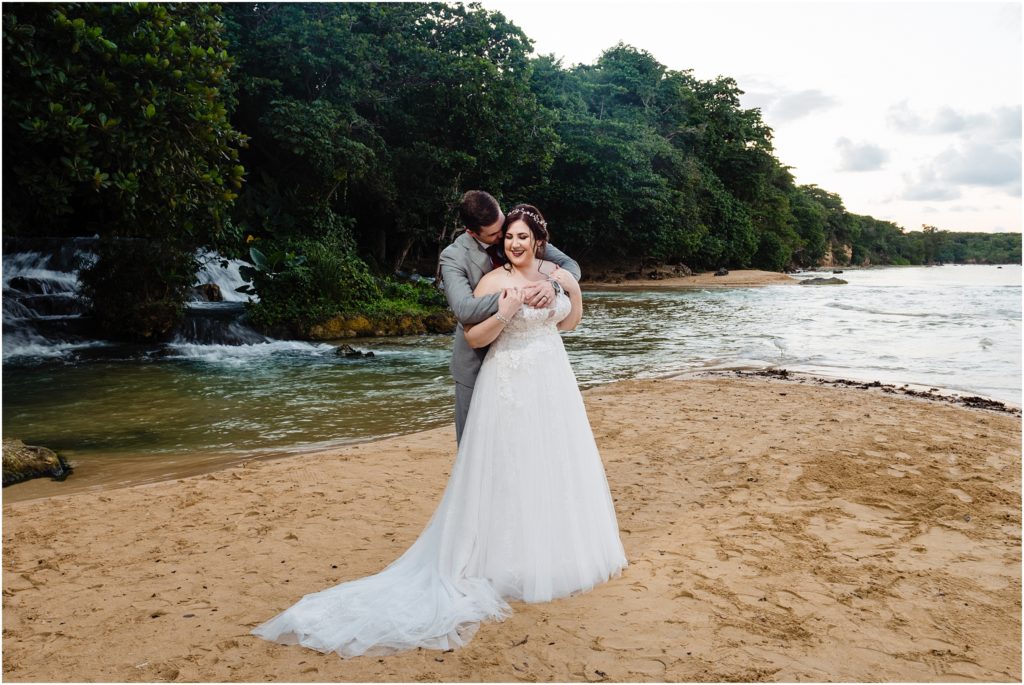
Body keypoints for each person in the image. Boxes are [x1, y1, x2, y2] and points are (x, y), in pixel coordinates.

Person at [251, 204, 627, 658]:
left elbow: (570, 320)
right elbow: (472, 332)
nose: (511, 243)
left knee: (551, 463)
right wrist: (507, 308)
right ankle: (501, 557)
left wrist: (559, 289)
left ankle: (551, 552)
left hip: (552, 380)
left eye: (520, 237)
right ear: (487, 235)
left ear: (538, 241)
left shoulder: (554, 269)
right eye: (507, 237)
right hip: (505, 379)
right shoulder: (488, 277)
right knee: (504, 467)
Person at [438, 190, 581, 443]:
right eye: (495, 234)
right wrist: (516, 297)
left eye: (503, 226)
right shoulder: (454, 257)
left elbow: (571, 267)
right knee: (476, 448)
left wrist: (552, 286)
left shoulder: (516, 232)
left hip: (530, 362)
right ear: (472, 232)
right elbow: (463, 309)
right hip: (477, 361)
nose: (505, 237)